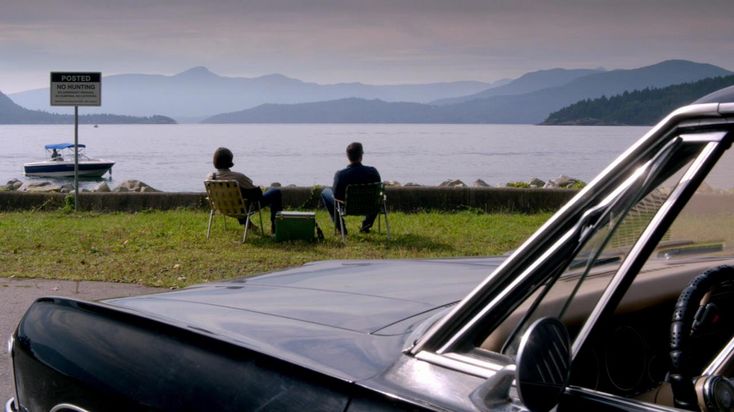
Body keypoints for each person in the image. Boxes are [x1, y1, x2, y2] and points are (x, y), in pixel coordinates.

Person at [206, 147, 282, 234]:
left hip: (221, 207)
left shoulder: (210, 177)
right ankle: (276, 229)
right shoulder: (238, 177)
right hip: (240, 208)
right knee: (275, 192)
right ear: (230, 161)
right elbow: (257, 195)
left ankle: (249, 225)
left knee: (236, 197)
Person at [321, 142, 381, 234]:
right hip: (370, 205)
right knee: (376, 199)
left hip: (347, 206)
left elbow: (336, 197)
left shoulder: (341, 175)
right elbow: (378, 192)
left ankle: (341, 229)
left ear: (347, 156)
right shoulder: (373, 172)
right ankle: (366, 225)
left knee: (325, 192)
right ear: (361, 155)